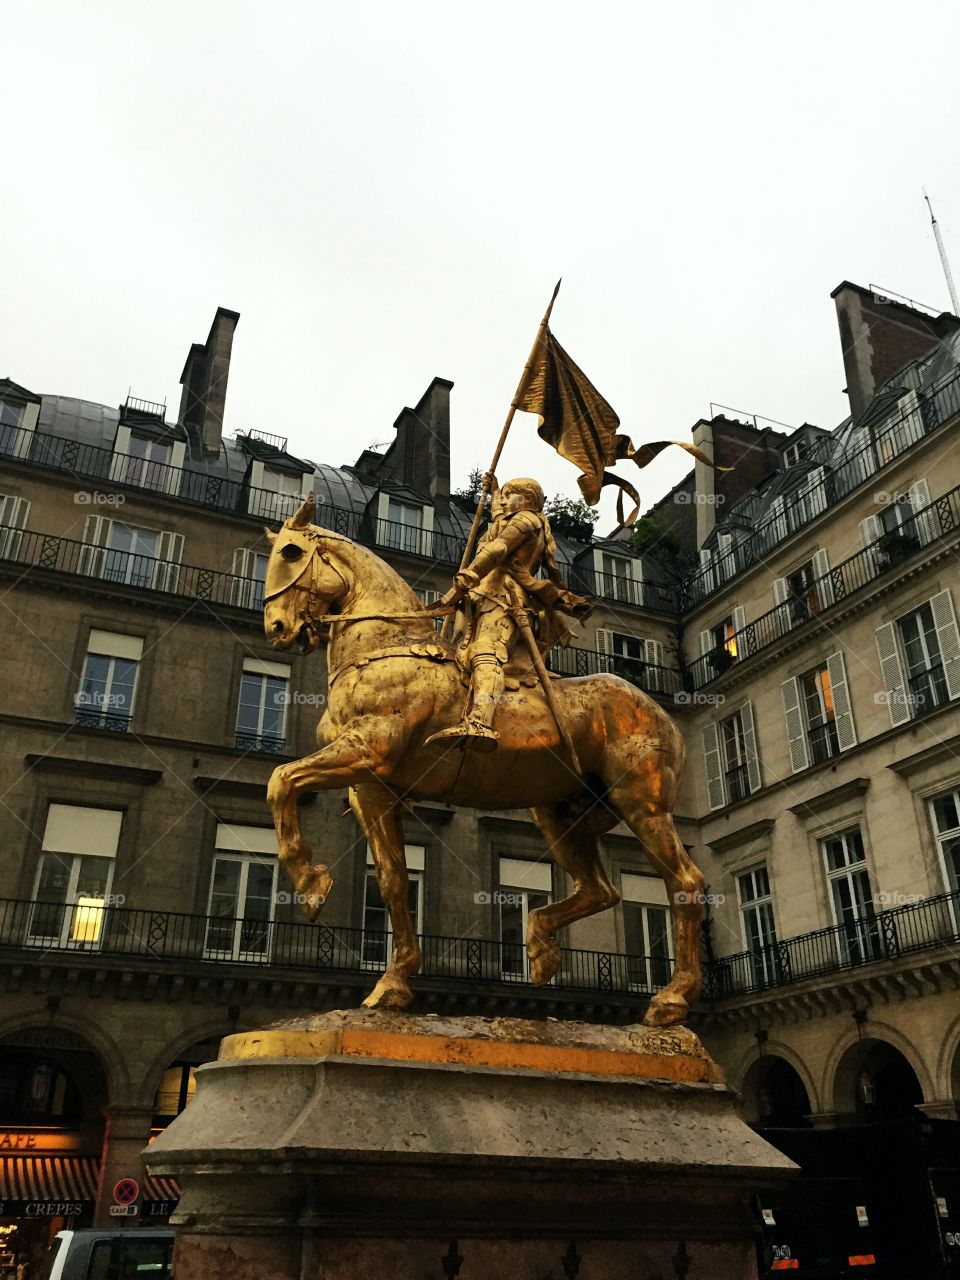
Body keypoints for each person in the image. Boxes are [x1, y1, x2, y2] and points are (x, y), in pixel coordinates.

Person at [426, 474, 591, 752]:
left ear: (527, 500)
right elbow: (499, 519)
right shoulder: (512, 519)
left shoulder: (528, 520)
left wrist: (467, 578)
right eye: (502, 497)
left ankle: (480, 722)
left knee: (485, 652)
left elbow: (499, 547)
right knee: (458, 655)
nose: (502, 501)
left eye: (508, 495)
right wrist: (494, 491)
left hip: (504, 596)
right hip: (481, 597)